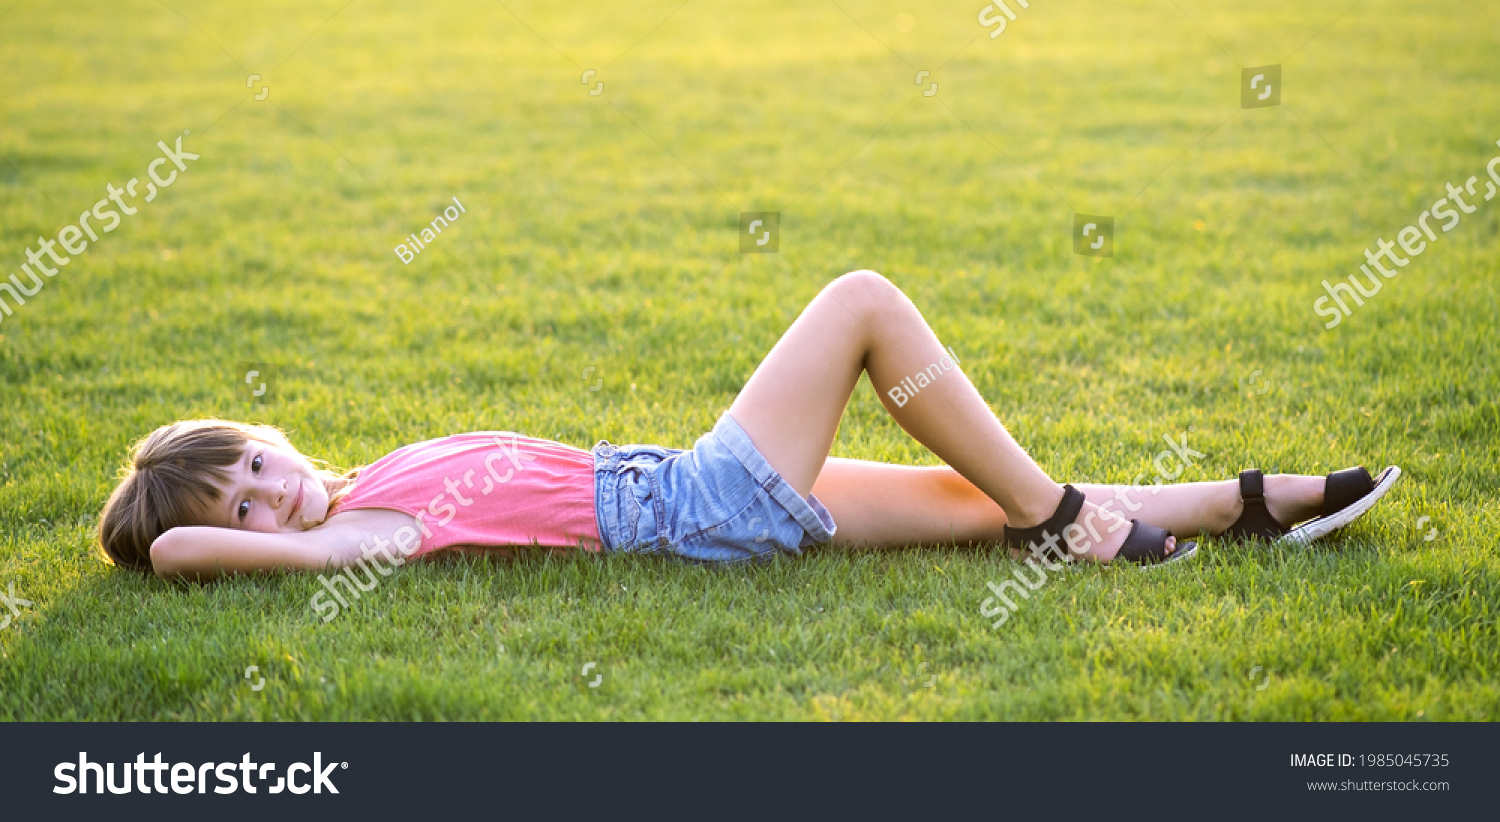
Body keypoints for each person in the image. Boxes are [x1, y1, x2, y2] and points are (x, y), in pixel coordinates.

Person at [98, 272, 1398, 580]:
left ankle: (1246, 504)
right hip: (697, 500)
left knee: (973, 507)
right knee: (862, 303)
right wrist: (190, 522)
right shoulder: (362, 530)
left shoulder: (370, 469)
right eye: (248, 506)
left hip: (685, 490)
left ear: (269, 426)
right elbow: (172, 553)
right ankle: (1072, 515)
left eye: (255, 463)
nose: (274, 496)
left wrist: (239, 480)